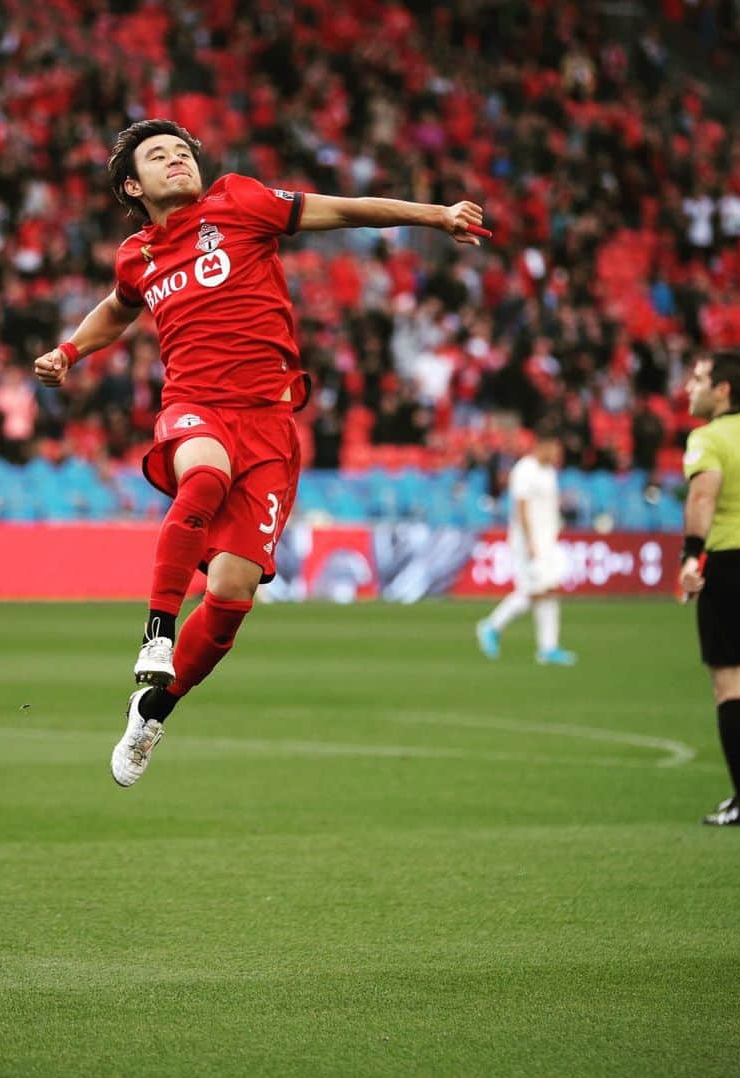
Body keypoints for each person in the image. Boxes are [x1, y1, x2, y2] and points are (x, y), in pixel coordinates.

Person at [34, 118, 489, 786]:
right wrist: (69, 351)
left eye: (183, 151)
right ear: (133, 184)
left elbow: (346, 210)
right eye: (158, 156)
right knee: (204, 477)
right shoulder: (136, 255)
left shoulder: (239, 201)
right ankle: (156, 634)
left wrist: (436, 215)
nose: (177, 160)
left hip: (270, 425)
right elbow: (117, 306)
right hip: (195, 405)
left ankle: (154, 709)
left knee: (231, 595)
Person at [678, 350, 740, 827]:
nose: (687, 388)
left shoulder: (708, 439)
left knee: (731, 686)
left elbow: (702, 496)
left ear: (723, 390)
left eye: (697, 379)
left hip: (734, 566)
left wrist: (690, 558)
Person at [476, 422, 577, 666]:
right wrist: (530, 541)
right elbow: (520, 507)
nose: (557, 454)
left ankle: (548, 648)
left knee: (548, 589)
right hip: (529, 542)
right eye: (554, 448)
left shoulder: (549, 472)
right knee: (535, 590)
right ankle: (492, 625)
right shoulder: (525, 470)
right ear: (542, 446)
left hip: (546, 540)